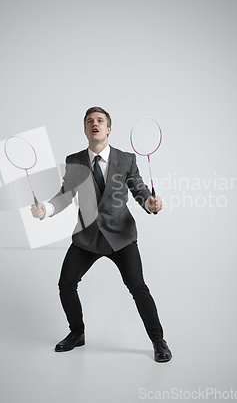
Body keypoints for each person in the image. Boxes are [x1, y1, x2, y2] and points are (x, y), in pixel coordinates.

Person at [31, 107, 172, 362]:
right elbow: (65, 194)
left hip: (121, 236)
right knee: (66, 285)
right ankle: (77, 333)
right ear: (85, 130)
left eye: (100, 121)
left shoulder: (126, 159)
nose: (94, 124)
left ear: (108, 129)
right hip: (87, 238)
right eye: (89, 121)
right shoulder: (75, 161)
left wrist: (149, 203)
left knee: (137, 286)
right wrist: (46, 209)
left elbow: (139, 189)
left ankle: (158, 340)